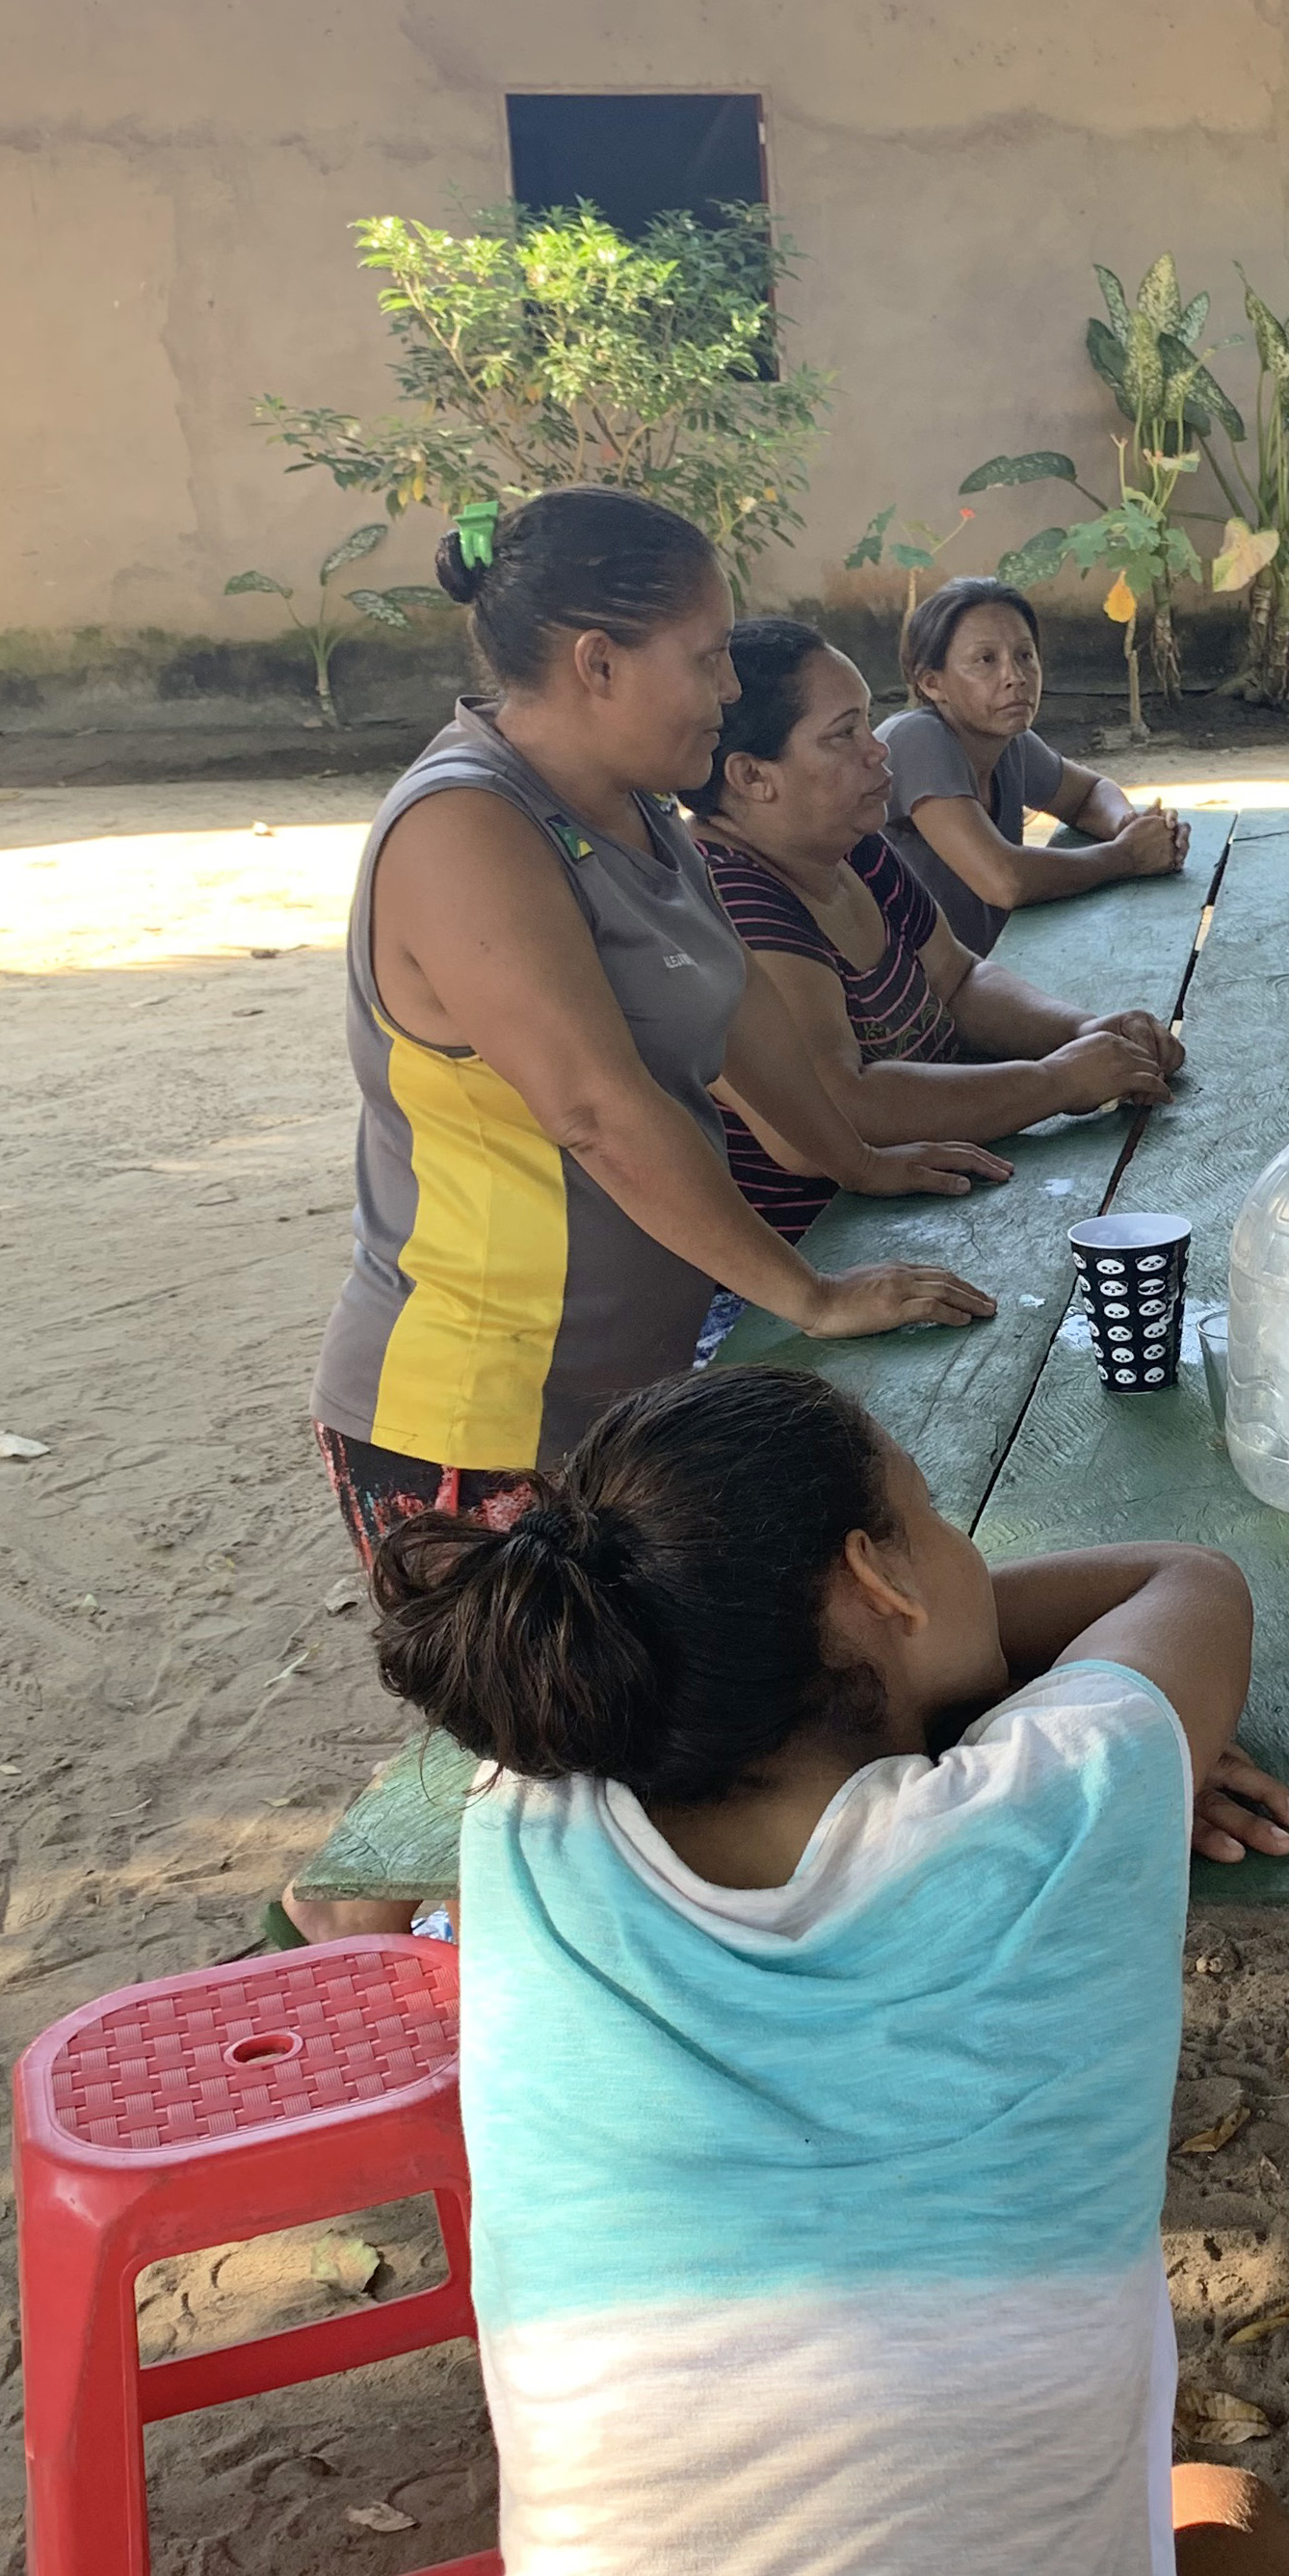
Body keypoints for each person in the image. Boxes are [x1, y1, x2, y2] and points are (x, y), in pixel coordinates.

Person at [363, 1365, 1289, 2576]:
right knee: (1226, 2525)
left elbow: (805, 1639)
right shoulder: (1068, 1793)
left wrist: (813, 1630)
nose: (959, 1549)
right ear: (876, 1578)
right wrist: (1010, 1686)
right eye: (932, 1523)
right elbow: (1184, 1578)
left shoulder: (519, 1825)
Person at [299, 489, 995, 1938]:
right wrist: (807, 1293)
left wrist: (855, 1162)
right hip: (474, 1405)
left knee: (608, 1750)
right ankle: (334, 1951)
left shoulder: (635, 815)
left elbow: (731, 1023)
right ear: (598, 662)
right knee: (534, 1761)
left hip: (620, 1391)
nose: (729, 686)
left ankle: (386, 1946)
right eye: (706, 653)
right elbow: (598, 1108)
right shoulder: (466, 826)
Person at [687, 618, 1184, 1251]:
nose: (878, 750)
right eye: (844, 733)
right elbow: (840, 1103)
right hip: (825, 1244)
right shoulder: (734, 899)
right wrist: (1054, 1082)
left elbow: (958, 978)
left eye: (868, 722)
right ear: (752, 777)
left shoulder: (847, 843)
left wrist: (1081, 1032)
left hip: (927, 1204)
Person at [878, 578, 1190, 956]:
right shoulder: (917, 740)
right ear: (932, 683)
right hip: (899, 985)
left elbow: (1088, 794)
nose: (1016, 677)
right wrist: (1127, 855)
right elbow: (1004, 880)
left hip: (983, 970)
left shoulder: (1010, 744)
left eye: (1025, 655)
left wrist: (1129, 825)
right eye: (985, 660)